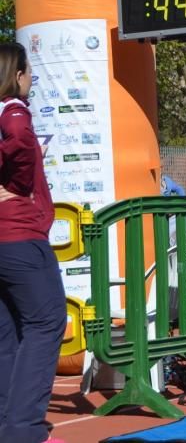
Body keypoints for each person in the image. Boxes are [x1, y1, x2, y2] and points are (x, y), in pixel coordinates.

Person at [0, 43, 67, 443]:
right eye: (29, 73)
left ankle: (9, 424)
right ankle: (22, 430)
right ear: (18, 74)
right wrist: (17, 179)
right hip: (18, 235)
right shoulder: (14, 109)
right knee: (46, 322)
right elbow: (21, 137)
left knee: (7, 332)